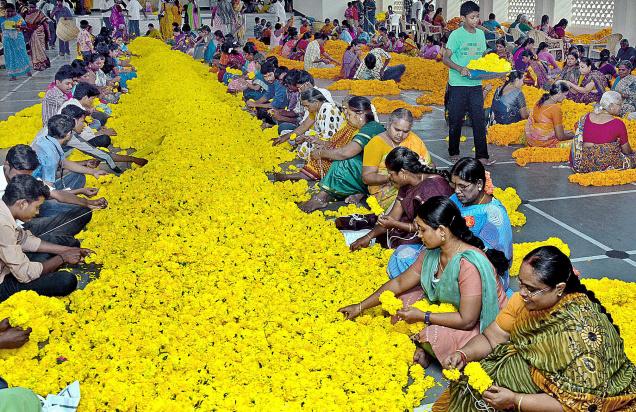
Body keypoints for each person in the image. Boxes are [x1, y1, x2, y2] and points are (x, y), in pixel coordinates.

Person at [434, 246, 636, 411]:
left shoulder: (580, 334)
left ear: (559, 289)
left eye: (531, 289)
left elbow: (581, 404)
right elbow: (491, 338)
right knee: (470, 388)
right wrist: (463, 354)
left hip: (574, 400)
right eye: (520, 283)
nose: (521, 293)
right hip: (529, 378)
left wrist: (516, 399)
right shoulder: (524, 302)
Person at [339, 196, 509, 368]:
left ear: (442, 231)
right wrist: (360, 306)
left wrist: (423, 316)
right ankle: (423, 348)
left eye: (422, 230)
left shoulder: (468, 264)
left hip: (476, 321)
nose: (418, 235)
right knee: (400, 299)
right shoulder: (433, 252)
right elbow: (399, 283)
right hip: (450, 310)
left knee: (434, 334)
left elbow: (467, 320)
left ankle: (426, 348)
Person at [350, 147, 452, 263]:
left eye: (391, 174)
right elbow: (393, 216)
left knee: (402, 254)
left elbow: (433, 228)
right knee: (380, 231)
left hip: (432, 234)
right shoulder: (406, 184)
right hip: (413, 227)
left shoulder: (433, 188)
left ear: (403, 173)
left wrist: (394, 224)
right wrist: (367, 237)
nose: (390, 177)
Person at [0, 175, 91, 302]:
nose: (37, 213)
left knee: (70, 243)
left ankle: (56, 258)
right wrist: (62, 258)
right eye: (37, 207)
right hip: (3, 282)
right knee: (65, 281)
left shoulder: (3, 209)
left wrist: (65, 250)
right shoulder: (2, 224)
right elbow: (24, 273)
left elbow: (25, 240)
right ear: (22, 204)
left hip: (13, 264)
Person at [299, 97, 384, 212]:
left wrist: (321, 153)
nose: (347, 118)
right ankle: (356, 192)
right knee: (340, 158)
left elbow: (345, 153)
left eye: (349, 114)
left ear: (360, 114)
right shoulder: (369, 126)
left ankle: (321, 198)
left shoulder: (370, 128)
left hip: (377, 176)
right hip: (369, 171)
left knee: (343, 161)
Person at [1, 144, 103, 241]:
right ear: (6, 164)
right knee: (73, 220)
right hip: (17, 230)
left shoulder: (25, 178)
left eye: (28, 175)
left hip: (33, 210)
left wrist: (88, 202)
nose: (22, 179)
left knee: (81, 207)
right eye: (19, 175)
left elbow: (56, 194)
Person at [449, 158, 513, 289]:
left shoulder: (494, 214)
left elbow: (495, 259)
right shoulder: (455, 199)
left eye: (462, 186)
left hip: (484, 271)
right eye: (454, 185)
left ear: (479, 184)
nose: (456, 190)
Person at [442, 1, 490, 164]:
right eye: (472, 17)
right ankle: (454, 151)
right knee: (456, 120)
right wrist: (460, 68)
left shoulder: (481, 34)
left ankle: (482, 155)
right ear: (463, 18)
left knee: (479, 120)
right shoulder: (456, 35)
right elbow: (445, 58)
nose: (475, 20)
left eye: (477, 16)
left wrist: (491, 67)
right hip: (458, 84)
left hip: (475, 84)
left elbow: (482, 57)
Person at [362, 109, 432, 210]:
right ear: (388, 123)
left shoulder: (414, 140)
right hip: (385, 191)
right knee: (411, 203)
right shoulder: (376, 143)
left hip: (414, 184)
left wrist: (416, 175)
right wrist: (393, 178)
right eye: (397, 129)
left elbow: (431, 165)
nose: (400, 135)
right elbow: (367, 177)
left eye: (405, 131)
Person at [32, 115, 109, 190]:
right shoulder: (50, 156)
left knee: (76, 175)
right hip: (34, 191)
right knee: (78, 178)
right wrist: (82, 195)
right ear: (69, 134)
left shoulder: (45, 140)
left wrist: (94, 172)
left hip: (35, 179)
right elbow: (49, 191)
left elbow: (64, 163)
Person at [570, 91, 636, 173]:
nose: (621, 107)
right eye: (619, 105)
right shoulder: (618, 123)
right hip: (605, 166)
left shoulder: (584, 118)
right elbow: (626, 151)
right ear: (611, 106)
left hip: (582, 164)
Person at [293, 89, 345, 158]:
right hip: (324, 139)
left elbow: (329, 137)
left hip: (335, 143)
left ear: (316, 102)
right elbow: (307, 127)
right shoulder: (317, 109)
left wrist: (308, 138)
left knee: (306, 146)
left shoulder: (328, 110)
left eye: (307, 106)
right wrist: (307, 137)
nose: (306, 108)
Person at [524, 82, 574, 148]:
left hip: (533, 139)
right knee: (576, 143)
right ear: (559, 93)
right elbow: (560, 137)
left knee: (567, 131)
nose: (565, 97)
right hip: (544, 142)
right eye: (565, 95)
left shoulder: (539, 102)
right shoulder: (555, 108)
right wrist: (574, 135)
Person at [0, 4, 32, 80]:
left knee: (22, 54)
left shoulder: (18, 17)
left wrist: (17, 26)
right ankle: (13, 75)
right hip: (7, 40)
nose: (10, 13)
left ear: (14, 11)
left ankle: (27, 70)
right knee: (9, 56)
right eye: (8, 11)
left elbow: (25, 27)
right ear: (5, 11)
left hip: (18, 39)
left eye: (12, 11)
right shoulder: (1, 19)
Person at [24, 1, 50, 71]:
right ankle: (36, 65)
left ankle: (43, 64)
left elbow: (45, 24)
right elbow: (25, 24)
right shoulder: (26, 14)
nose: (31, 9)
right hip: (31, 33)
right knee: (34, 49)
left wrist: (48, 35)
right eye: (30, 7)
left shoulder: (39, 13)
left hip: (40, 32)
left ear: (35, 7)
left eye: (33, 7)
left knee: (41, 49)